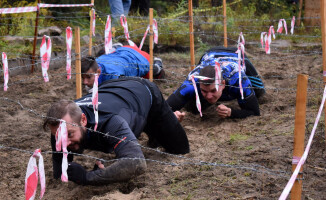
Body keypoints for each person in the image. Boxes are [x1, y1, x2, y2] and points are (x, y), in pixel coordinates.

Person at [43, 77, 190, 185]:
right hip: (112, 91)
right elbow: (59, 172)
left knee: (180, 148)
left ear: (83, 120)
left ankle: (153, 128)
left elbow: (136, 164)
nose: (65, 143)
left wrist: (88, 177)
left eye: (69, 134)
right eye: (59, 137)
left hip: (144, 92)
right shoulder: (60, 127)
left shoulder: (110, 121)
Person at [167, 46, 265, 119]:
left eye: (213, 90)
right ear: (199, 84)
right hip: (210, 54)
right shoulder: (192, 82)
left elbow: (255, 112)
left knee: (259, 92)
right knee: (192, 108)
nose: (209, 96)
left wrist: (231, 113)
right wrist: (172, 116)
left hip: (236, 55)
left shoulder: (238, 79)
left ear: (222, 84)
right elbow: (165, 108)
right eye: (204, 91)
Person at [81, 44, 164, 90]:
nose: (85, 82)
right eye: (82, 77)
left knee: (154, 73)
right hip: (124, 49)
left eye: (88, 77)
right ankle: (116, 47)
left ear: (98, 72)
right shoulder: (94, 62)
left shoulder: (114, 76)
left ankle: (157, 63)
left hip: (142, 58)